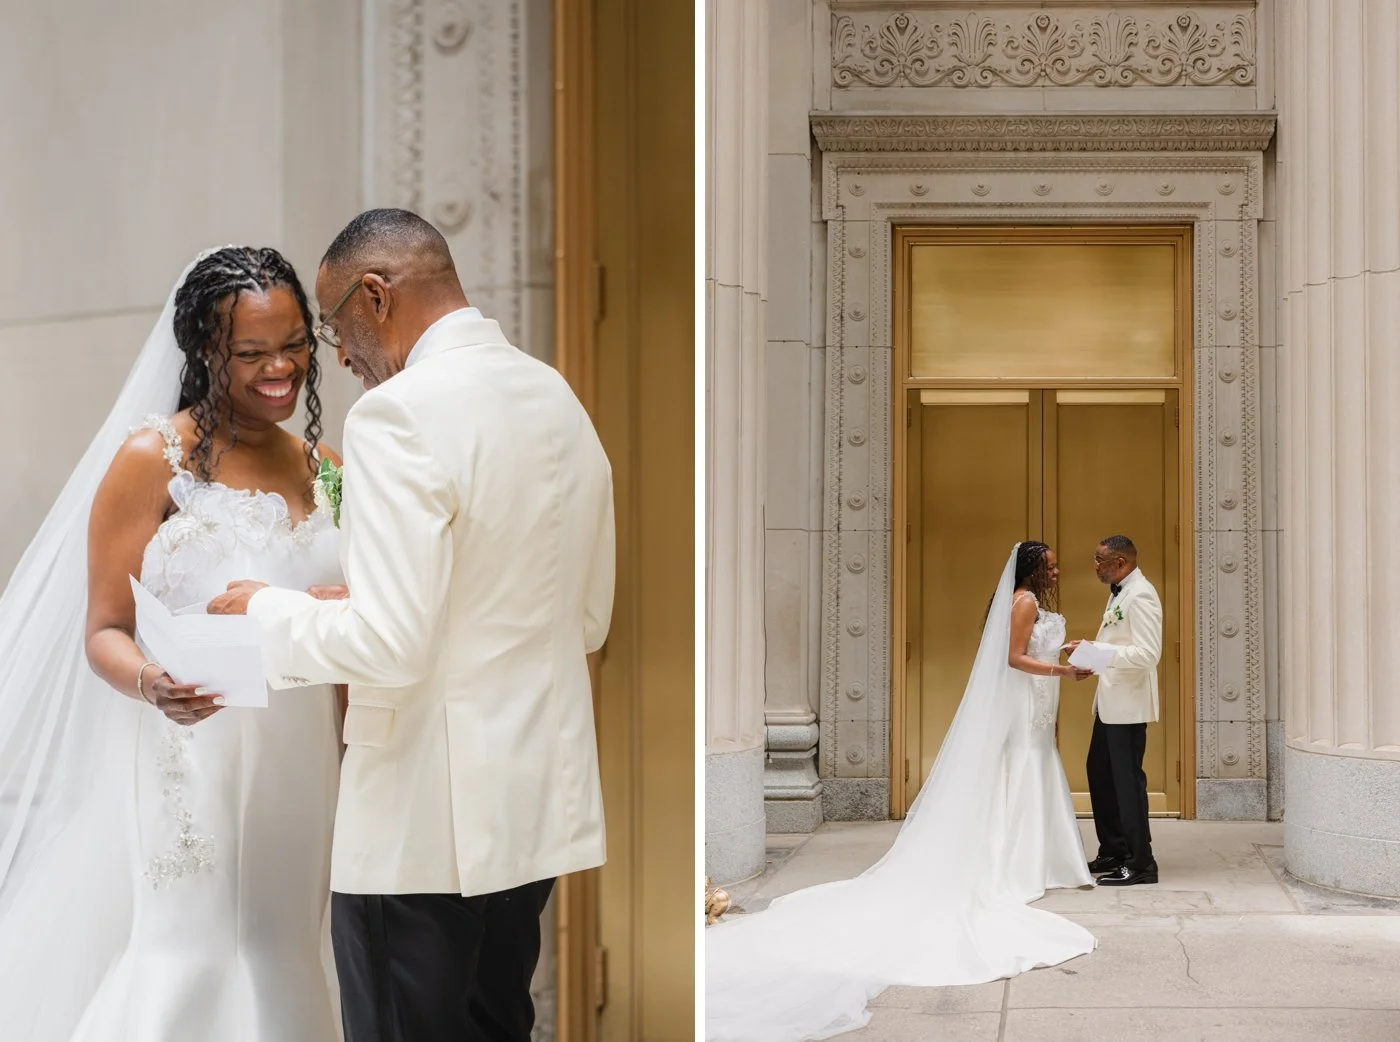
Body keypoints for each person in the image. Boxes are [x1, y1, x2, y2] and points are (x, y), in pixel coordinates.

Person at [208, 208, 615, 1042]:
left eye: (333, 326)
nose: (340, 356)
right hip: (529, 807)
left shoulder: (398, 415)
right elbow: (583, 614)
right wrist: (363, 605)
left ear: (376, 294)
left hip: (420, 821)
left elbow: (391, 645)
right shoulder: (555, 395)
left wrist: (266, 609)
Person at [0, 246, 345, 1041]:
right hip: (192, 753)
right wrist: (153, 682)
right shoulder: (151, 460)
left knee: (285, 945)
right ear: (203, 352)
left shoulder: (324, 468)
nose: (280, 369)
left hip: (309, 760)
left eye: (294, 344)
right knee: (193, 947)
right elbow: (104, 631)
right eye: (251, 353)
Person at [705, 542, 1095, 1042]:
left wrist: (1064, 651)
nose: (1057, 570)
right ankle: (1019, 861)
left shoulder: (1035, 605)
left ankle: (1041, 857)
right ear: (1031, 569)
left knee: (1036, 766)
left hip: (1039, 704)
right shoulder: (1021, 602)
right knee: (1023, 767)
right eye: (1050, 564)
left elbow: (1035, 648)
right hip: (1023, 701)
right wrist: (1062, 669)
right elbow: (1015, 658)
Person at [1069, 534, 1162, 887]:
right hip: (1109, 704)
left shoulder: (1141, 595)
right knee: (1099, 772)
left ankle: (1141, 863)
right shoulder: (1122, 592)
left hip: (1128, 705)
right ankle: (1114, 848)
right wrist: (1092, 651)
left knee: (1127, 783)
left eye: (1099, 560)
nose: (1095, 566)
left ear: (1120, 562)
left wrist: (1097, 653)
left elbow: (1148, 655)